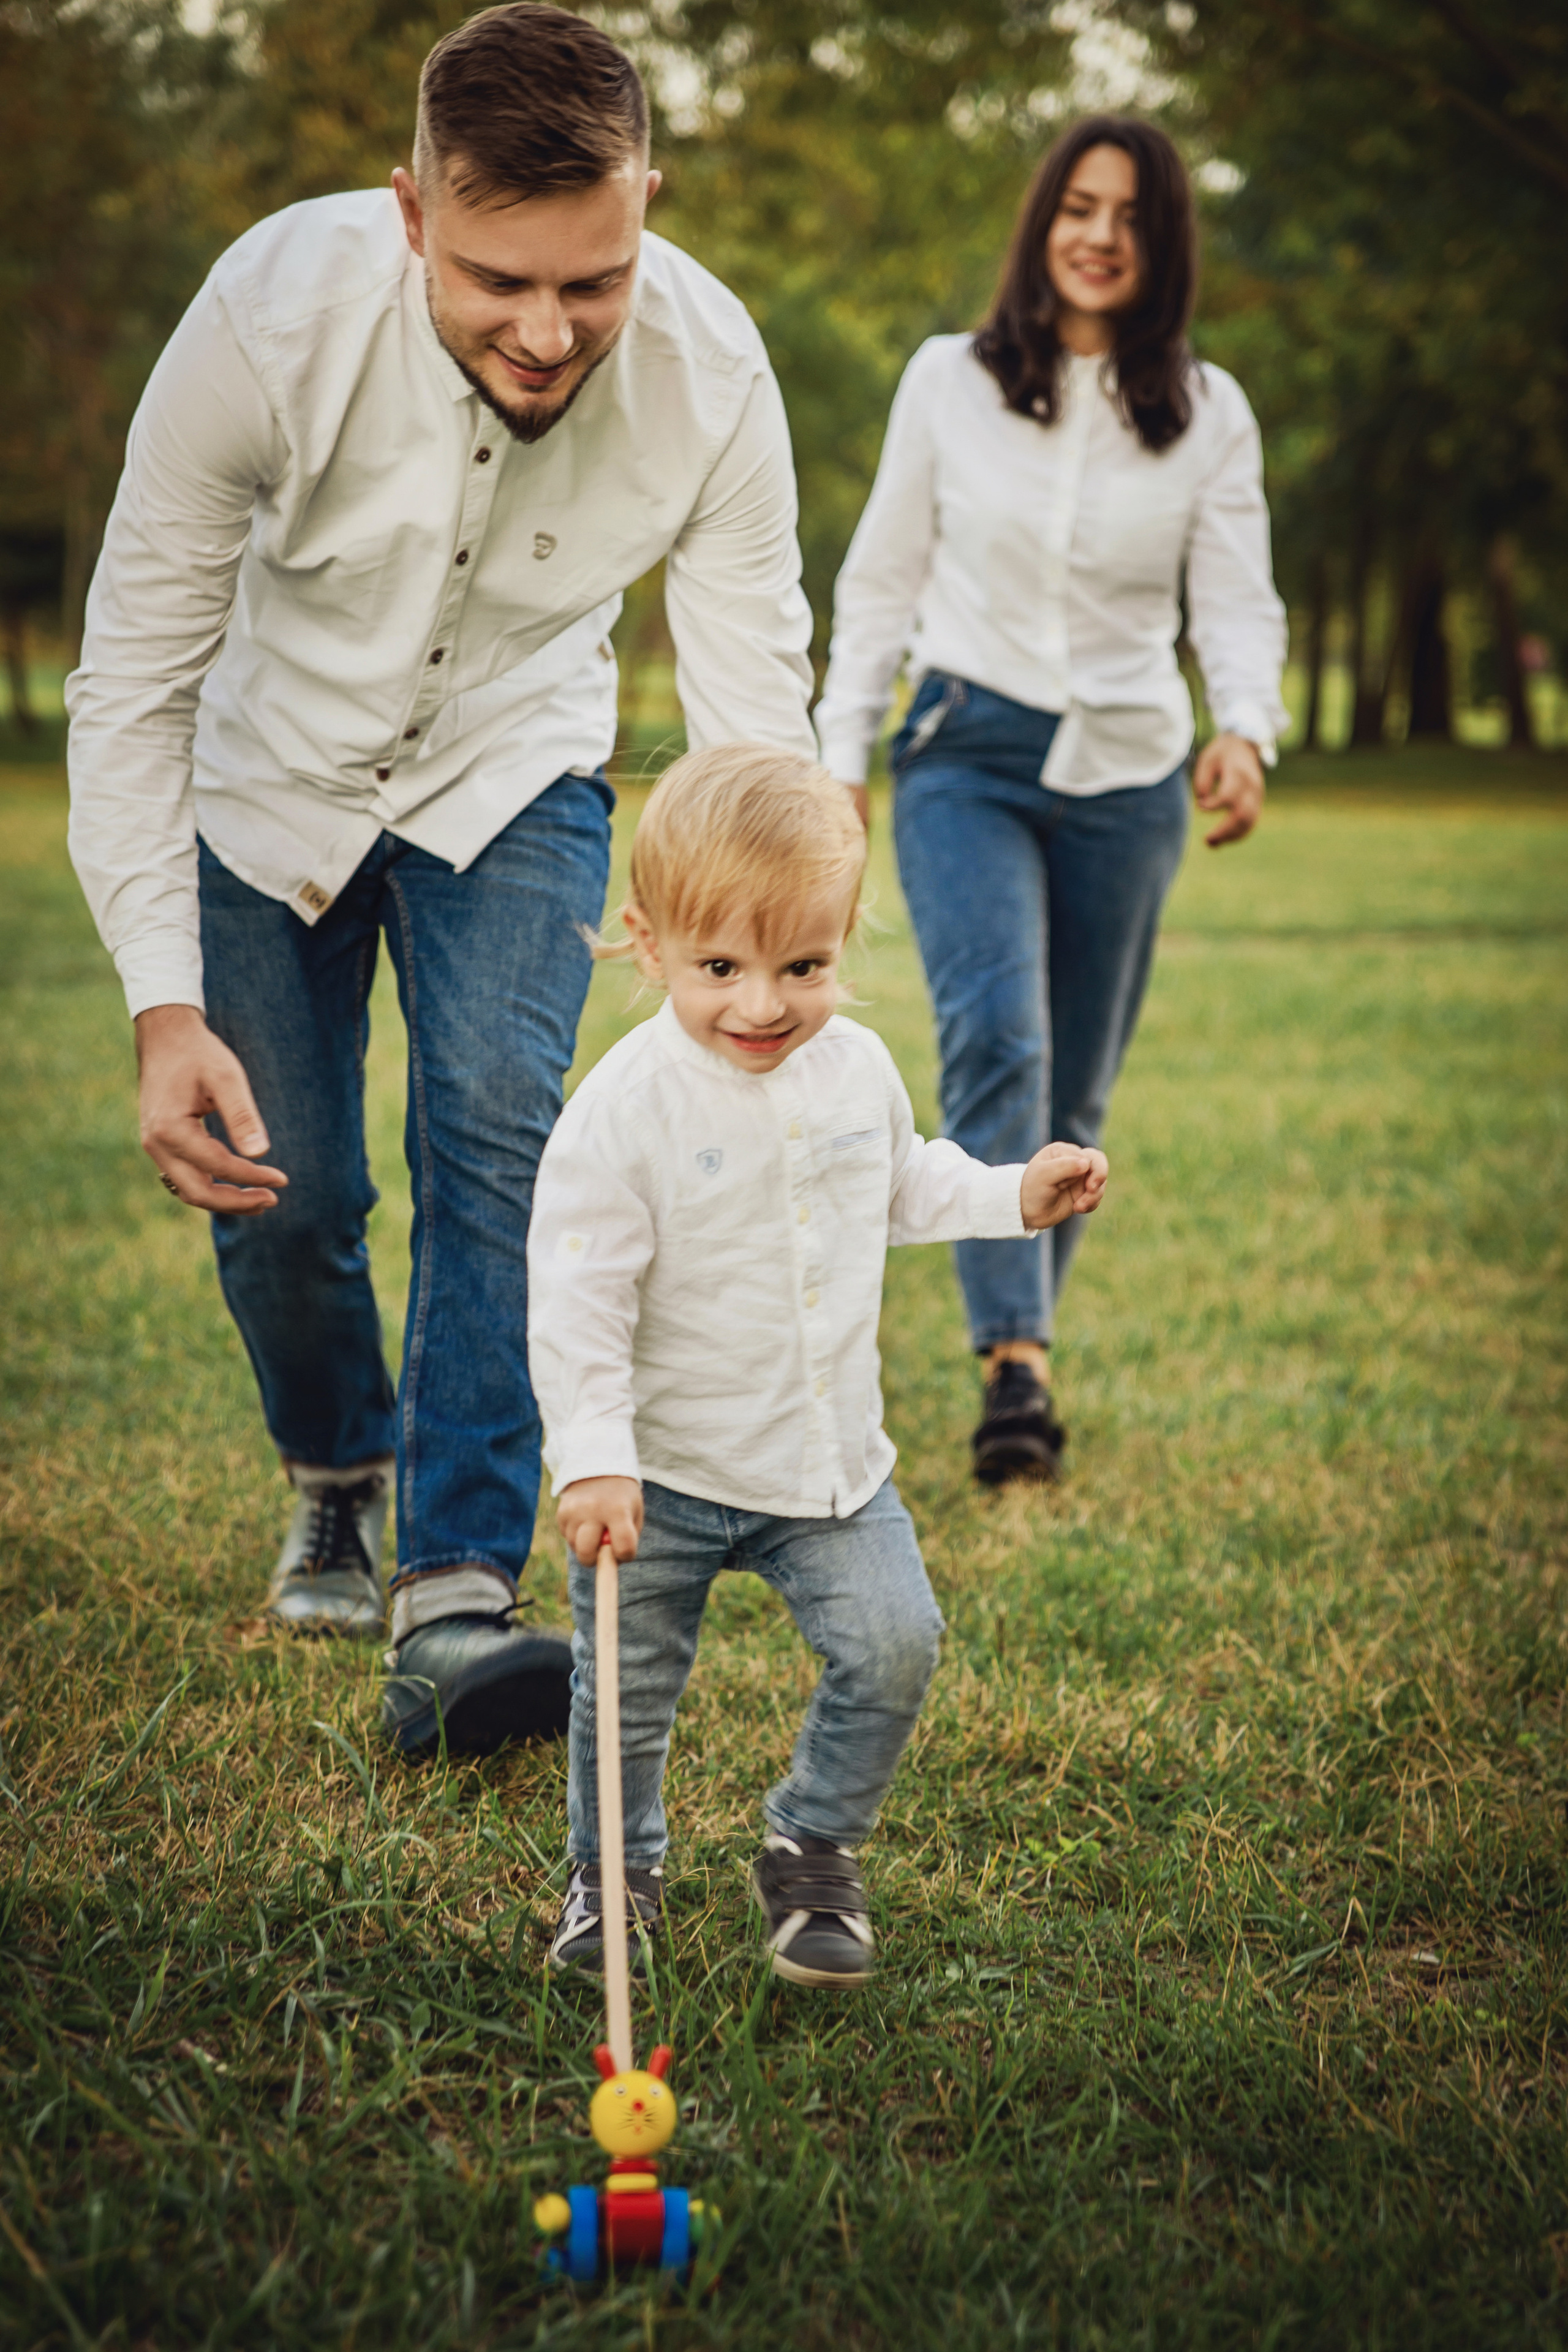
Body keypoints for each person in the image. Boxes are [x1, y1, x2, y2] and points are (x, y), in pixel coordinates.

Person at [64, 5, 817, 1756]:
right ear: (411, 212)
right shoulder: (267, 318)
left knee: (502, 1141)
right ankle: (338, 1465)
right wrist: (163, 1006)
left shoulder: (713, 371)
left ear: (650, 206)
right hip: (266, 784)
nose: (549, 331)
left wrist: (760, 978)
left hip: (516, 768)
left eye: (594, 281)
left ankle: (460, 1595)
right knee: (290, 1197)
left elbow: (751, 718)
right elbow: (135, 676)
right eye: (498, 281)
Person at [526, 746, 1109, 1986]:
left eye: (803, 966)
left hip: (825, 1465)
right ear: (648, 941)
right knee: (624, 1696)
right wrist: (591, 1458)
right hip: (661, 1476)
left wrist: (1013, 1192)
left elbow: (901, 1180)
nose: (762, 1005)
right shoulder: (623, 1110)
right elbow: (574, 1295)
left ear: (844, 939)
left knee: (894, 1642)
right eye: (720, 968)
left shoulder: (856, 1069)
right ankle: (610, 1874)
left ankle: (811, 1840)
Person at [815, 115, 1288, 1487]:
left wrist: (1242, 733)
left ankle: (1021, 1341)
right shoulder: (946, 384)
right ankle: (1013, 1361)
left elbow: (1236, 603)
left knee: (1074, 1083)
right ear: (1042, 225)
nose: (1099, 234)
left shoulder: (1209, 413)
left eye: (1130, 216)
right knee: (996, 1036)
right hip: (965, 747)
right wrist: (838, 752)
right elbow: (880, 581)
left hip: (1132, 774)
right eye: (1078, 207)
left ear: (1163, 245)